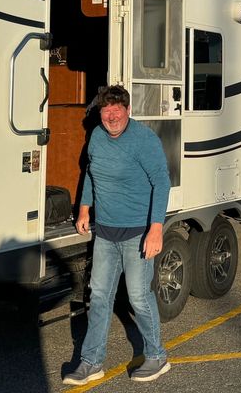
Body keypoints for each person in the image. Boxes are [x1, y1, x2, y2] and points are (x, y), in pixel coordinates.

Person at [62, 85, 172, 385]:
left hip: (138, 232)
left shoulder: (144, 139)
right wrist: (84, 209)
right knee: (98, 296)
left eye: (116, 110)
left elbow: (162, 183)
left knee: (138, 296)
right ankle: (91, 361)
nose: (110, 116)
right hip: (106, 234)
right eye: (105, 111)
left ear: (127, 111)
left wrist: (156, 229)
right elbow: (91, 174)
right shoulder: (97, 136)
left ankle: (157, 355)